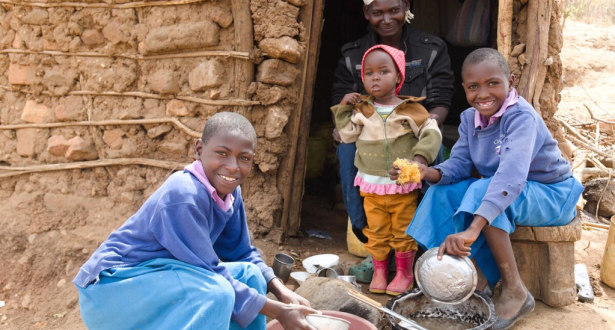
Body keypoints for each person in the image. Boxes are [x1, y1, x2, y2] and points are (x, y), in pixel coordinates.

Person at [73, 112, 319, 330]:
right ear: (199, 150)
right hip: (109, 291)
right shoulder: (183, 195)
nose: (233, 167)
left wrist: (281, 291)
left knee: (250, 275)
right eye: (222, 154)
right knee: (217, 293)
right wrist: (280, 312)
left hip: (158, 277)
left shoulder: (230, 193)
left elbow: (241, 253)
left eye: (244, 158)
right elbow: (209, 271)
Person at [394, 48, 584, 329]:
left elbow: (510, 176)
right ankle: (476, 280)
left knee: (485, 189)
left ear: (512, 81)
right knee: (441, 193)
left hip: (552, 195)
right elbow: (458, 165)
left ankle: (516, 290)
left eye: (493, 83)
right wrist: (427, 172)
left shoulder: (521, 117)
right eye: (473, 87)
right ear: (465, 89)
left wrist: (472, 230)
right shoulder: (470, 119)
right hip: (507, 191)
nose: (483, 94)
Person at [331, 0, 454, 282]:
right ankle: (374, 249)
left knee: (435, 149)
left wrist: (420, 125)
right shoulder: (353, 55)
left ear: (406, 7)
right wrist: (345, 124)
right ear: (366, 13)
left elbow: (442, 99)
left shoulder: (431, 48)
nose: (386, 19)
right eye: (377, 12)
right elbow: (342, 100)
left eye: (393, 10)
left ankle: (421, 243)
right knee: (347, 150)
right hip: (370, 136)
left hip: (415, 128)